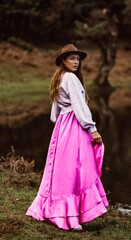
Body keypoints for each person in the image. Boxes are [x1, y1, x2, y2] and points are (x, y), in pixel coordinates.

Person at [25, 43, 109, 231]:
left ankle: (61, 210)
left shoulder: (59, 77)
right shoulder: (70, 77)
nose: (76, 62)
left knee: (62, 170)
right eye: (72, 58)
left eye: (78, 59)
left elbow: (54, 113)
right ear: (63, 61)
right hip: (74, 126)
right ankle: (69, 215)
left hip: (63, 126)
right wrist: (92, 128)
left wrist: (62, 122)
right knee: (75, 169)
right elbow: (80, 106)